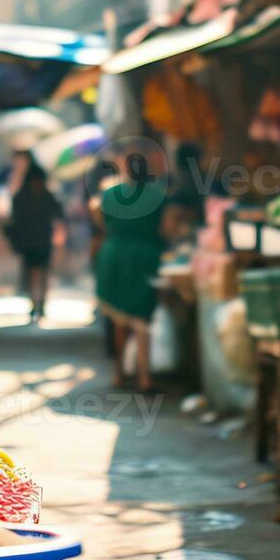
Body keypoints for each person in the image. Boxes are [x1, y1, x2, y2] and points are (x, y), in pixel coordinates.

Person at [93, 151, 167, 390]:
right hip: (146, 257)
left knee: (119, 318)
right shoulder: (157, 196)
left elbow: (99, 217)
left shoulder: (111, 194)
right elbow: (164, 228)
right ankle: (145, 378)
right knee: (142, 319)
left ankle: (118, 373)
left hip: (114, 255)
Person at [4, 157, 63, 322]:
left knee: (42, 274)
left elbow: (59, 214)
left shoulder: (45, 197)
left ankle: (41, 303)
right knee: (32, 274)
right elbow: (15, 221)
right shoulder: (22, 198)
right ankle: (34, 303)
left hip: (42, 241)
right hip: (30, 242)